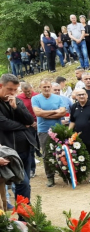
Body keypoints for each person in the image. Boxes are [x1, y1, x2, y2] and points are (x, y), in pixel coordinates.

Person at [0, 74, 36, 202]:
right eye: (10, 89)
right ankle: (25, 215)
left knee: (25, 184)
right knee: (22, 183)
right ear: (1, 86)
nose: (13, 92)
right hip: (8, 151)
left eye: (15, 90)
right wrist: (23, 126)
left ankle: (25, 215)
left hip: (25, 148)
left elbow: (30, 120)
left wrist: (16, 107)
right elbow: (4, 124)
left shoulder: (17, 101)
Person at [31, 78, 67, 187]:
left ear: (51, 87)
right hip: (43, 130)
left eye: (48, 87)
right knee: (46, 154)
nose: (46, 89)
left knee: (61, 152)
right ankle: (50, 177)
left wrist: (46, 113)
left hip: (58, 129)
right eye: (44, 87)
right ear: (40, 88)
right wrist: (55, 111)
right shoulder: (35, 98)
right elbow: (38, 113)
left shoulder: (58, 98)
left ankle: (64, 174)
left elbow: (62, 113)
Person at [16, 81, 39, 177]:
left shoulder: (37, 96)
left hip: (39, 123)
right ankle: (32, 169)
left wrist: (37, 122)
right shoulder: (19, 99)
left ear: (31, 88)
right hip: (28, 125)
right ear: (22, 91)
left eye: (29, 91)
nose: (28, 94)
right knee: (30, 148)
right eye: (26, 92)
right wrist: (30, 123)